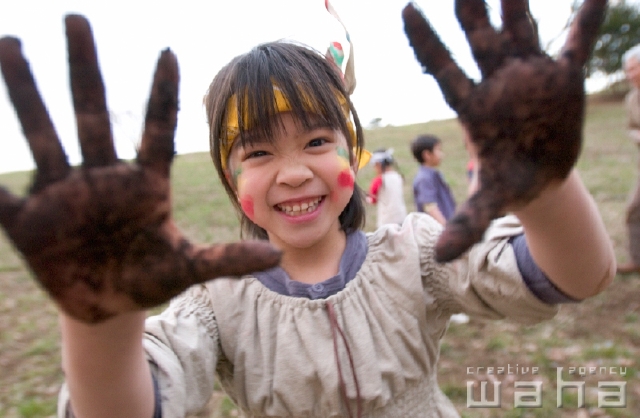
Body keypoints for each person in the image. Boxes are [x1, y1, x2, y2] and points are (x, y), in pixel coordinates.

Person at [0, 3, 616, 418]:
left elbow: (576, 276)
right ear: (227, 176)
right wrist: (101, 321)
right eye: (259, 151)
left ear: (355, 150)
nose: (294, 171)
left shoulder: (418, 254)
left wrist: (547, 189)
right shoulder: (215, 304)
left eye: (317, 142)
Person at [618, 44, 640, 274]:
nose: (630, 73)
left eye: (634, 68)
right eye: (628, 69)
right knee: (635, 210)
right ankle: (637, 260)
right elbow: (631, 127)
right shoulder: (632, 99)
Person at [410, 134, 457, 225]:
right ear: (427, 154)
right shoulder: (424, 178)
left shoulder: (433, 174)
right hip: (437, 231)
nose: (442, 154)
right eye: (438, 150)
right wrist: (446, 228)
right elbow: (430, 206)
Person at [366, 148, 408, 228]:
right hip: (401, 217)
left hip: (387, 221)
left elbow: (373, 200)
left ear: (378, 164)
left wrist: (366, 199)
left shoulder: (379, 180)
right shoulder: (398, 177)